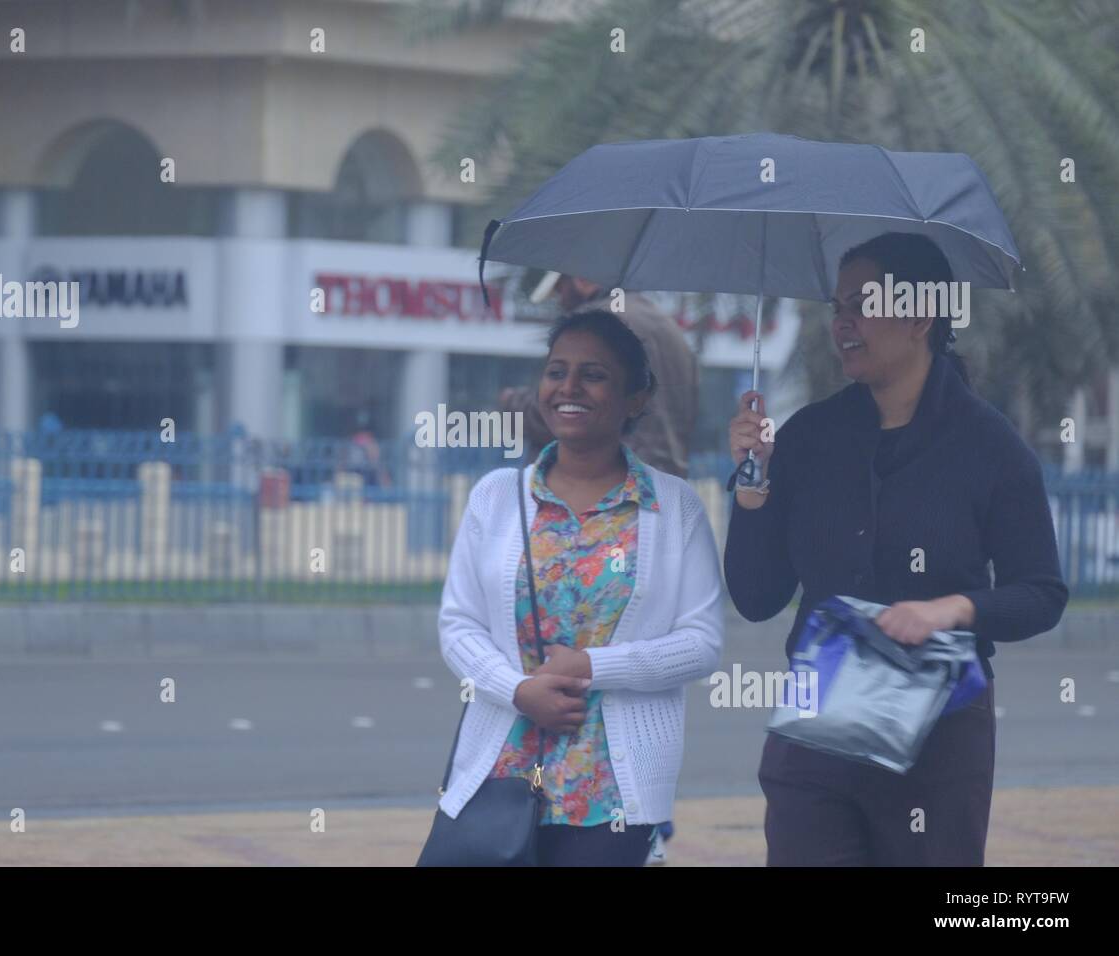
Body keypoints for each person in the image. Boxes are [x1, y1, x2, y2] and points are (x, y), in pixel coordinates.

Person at [725, 232, 1068, 866]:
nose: (843, 321)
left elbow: (1041, 594)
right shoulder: (808, 437)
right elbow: (754, 597)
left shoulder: (989, 447)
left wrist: (954, 608)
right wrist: (752, 489)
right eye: (837, 306)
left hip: (939, 725)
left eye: (862, 302)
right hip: (820, 717)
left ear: (921, 313)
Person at [437, 309, 725, 866]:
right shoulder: (497, 497)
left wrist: (590, 667)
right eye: (556, 371)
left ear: (635, 397)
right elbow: (459, 625)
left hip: (614, 795)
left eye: (592, 374)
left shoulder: (674, 507)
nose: (568, 388)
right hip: (497, 779)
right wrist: (517, 689)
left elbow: (702, 643)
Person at [500, 273, 698, 480]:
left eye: (560, 289)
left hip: (609, 483)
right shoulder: (669, 327)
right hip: (662, 482)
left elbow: (563, 409)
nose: (560, 301)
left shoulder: (595, 323)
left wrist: (513, 403)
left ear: (583, 280)